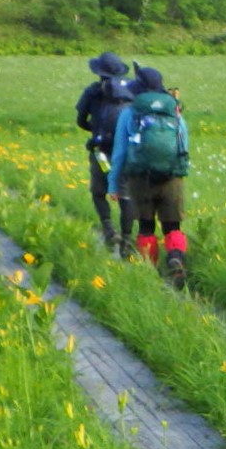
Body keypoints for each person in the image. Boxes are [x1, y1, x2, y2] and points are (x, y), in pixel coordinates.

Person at [106, 65, 191, 289]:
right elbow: (184, 144)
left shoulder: (130, 112)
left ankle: (151, 276)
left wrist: (113, 184)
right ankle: (176, 258)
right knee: (173, 226)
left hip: (139, 179)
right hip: (171, 177)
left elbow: (120, 153)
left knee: (146, 227)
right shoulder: (174, 109)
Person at [75, 52, 136, 255]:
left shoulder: (93, 92)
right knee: (126, 195)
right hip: (126, 153)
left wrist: (95, 130)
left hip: (101, 152)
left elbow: (81, 121)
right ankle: (127, 240)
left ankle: (109, 229)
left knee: (99, 192)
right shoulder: (133, 91)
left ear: (99, 72)